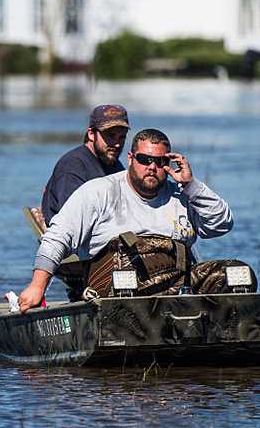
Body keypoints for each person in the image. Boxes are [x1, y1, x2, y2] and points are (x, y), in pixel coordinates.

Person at [19, 128, 243, 311]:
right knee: (124, 274)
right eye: (145, 159)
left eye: (160, 161)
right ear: (130, 158)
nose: (152, 167)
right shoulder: (99, 191)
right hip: (117, 292)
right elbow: (57, 238)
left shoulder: (181, 194)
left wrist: (191, 186)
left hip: (178, 291)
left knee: (236, 275)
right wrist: (37, 287)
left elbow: (221, 224)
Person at [39, 104, 130, 224]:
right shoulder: (73, 165)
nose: (117, 144)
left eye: (121, 137)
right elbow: (72, 218)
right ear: (91, 134)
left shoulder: (113, 163)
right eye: (110, 136)